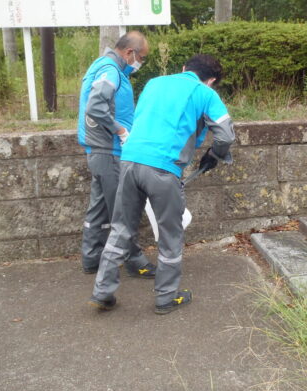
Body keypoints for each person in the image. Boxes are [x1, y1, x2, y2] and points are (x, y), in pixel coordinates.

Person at [88, 53, 235, 315]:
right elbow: (225, 135)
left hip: (129, 160)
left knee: (121, 228)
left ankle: (102, 292)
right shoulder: (205, 93)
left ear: (184, 67)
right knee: (170, 235)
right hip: (163, 168)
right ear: (211, 80)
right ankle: (166, 297)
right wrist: (215, 155)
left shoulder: (154, 83)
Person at [77, 31, 156, 279]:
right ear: (130, 52)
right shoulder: (110, 71)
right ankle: (135, 261)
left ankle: (92, 257)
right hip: (108, 149)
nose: (140, 63)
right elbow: (95, 106)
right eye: (141, 57)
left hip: (98, 149)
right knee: (123, 209)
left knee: (99, 208)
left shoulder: (103, 66)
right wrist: (120, 130)